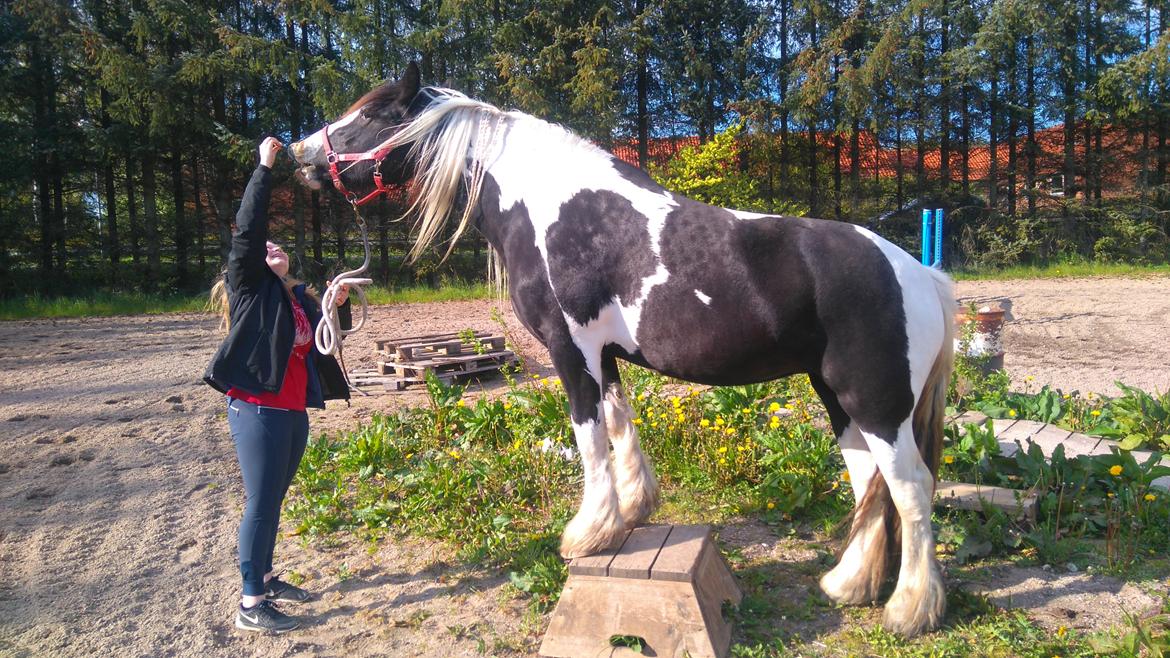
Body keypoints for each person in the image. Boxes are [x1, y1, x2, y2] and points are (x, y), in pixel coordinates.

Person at [204, 136, 351, 633]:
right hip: (257, 409)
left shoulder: (296, 298)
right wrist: (264, 169)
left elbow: (331, 335)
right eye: (263, 247)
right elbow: (248, 230)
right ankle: (250, 604)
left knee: (274, 500)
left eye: (276, 244)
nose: (270, 246)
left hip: (291, 412)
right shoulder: (250, 288)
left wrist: (340, 300)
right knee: (261, 503)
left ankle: (265, 576)